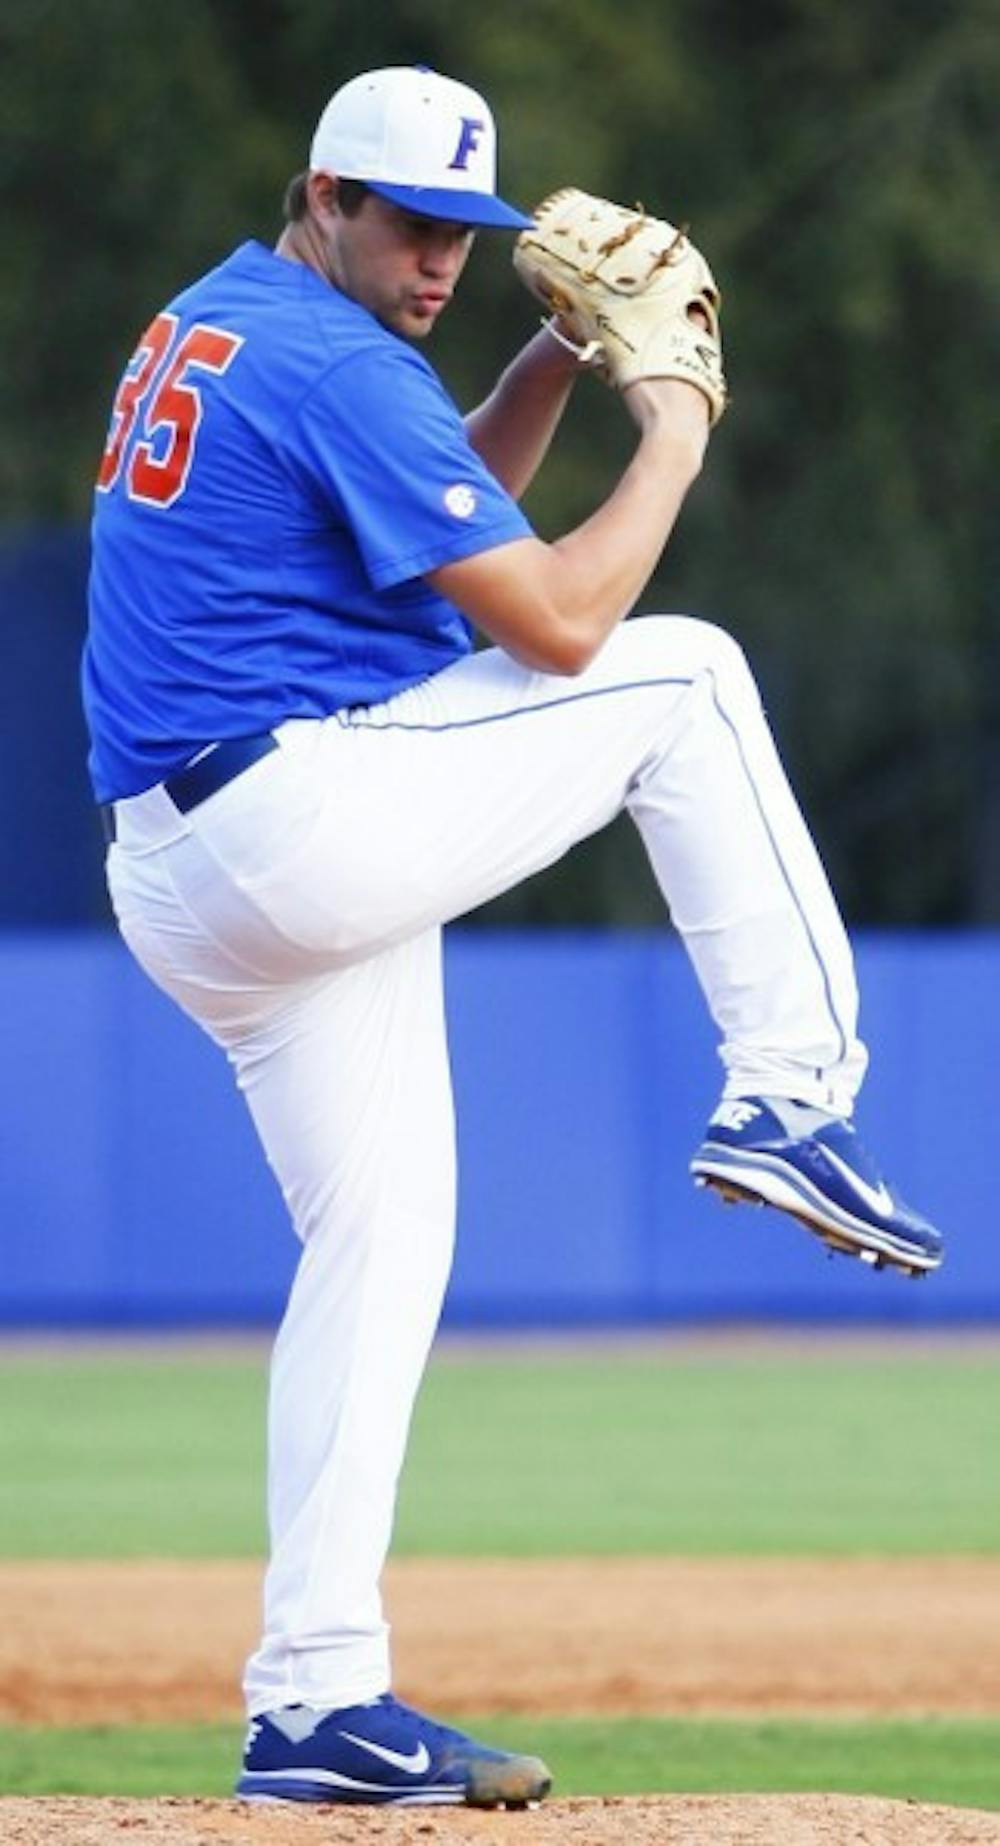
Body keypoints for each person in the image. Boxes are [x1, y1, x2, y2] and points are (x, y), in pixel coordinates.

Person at [82, 64, 942, 1810]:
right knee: (681, 672)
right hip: (287, 820)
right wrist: (676, 416)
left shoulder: (230, 321)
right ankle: (790, 1091)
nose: (442, 260)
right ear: (324, 192)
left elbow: (438, 510)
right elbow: (552, 621)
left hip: (198, 870)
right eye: (411, 223)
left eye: (471, 236)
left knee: (382, 1247)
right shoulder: (330, 356)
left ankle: (313, 1702)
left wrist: (553, 351)